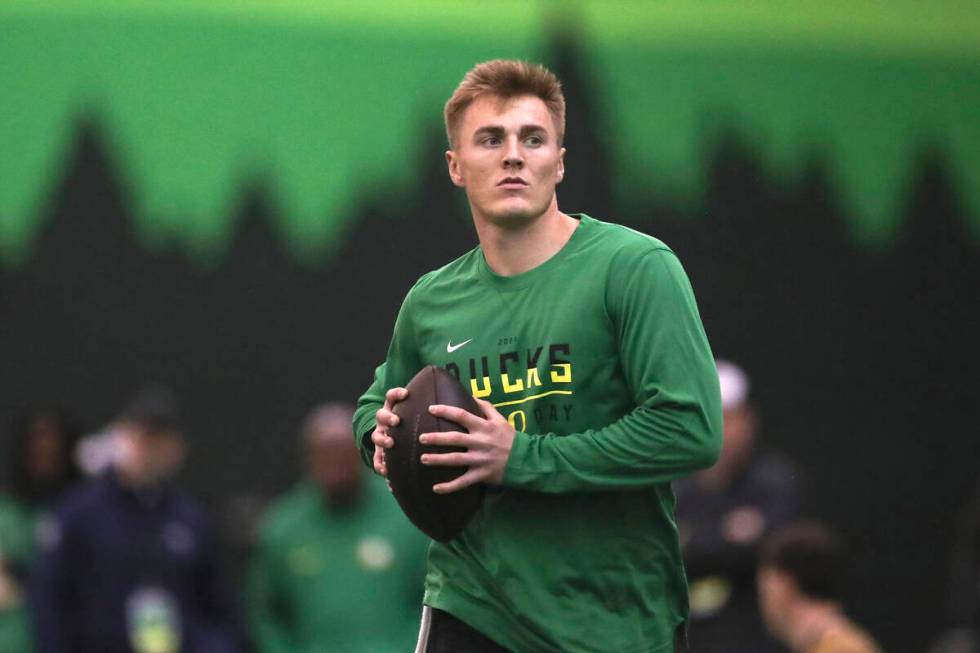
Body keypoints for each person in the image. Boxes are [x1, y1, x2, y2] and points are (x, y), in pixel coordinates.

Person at [353, 60, 722, 652]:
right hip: (472, 607)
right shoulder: (431, 300)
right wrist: (381, 432)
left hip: (611, 622)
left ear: (560, 161)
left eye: (533, 138)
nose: (513, 155)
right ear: (455, 166)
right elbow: (374, 405)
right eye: (491, 139)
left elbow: (691, 430)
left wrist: (521, 457)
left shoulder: (634, 268)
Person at [30, 386, 240, 653]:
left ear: (176, 448)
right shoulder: (78, 513)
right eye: (142, 436)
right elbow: (50, 599)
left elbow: (217, 605)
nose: (149, 448)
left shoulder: (191, 519)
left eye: (159, 439)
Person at [247, 403, 428, 653]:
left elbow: (430, 601)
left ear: (359, 452)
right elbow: (266, 615)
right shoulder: (283, 527)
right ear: (307, 458)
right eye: (323, 453)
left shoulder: (404, 515)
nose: (333, 462)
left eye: (341, 451)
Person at [673, 359, 801, 652]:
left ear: (748, 419)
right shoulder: (673, 487)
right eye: (707, 415)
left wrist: (692, 538)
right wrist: (727, 535)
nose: (719, 428)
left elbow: (774, 550)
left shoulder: (774, 482)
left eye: (728, 417)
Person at [0, 408, 82, 653]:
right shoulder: (6, 512)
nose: (44, 451)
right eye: (37, 443)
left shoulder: (83, 513)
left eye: (52, 444)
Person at [757, 522, 882, 653]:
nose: (764, 603)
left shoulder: (841, 649)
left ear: (783, 585)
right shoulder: (831, 644)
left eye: (764, 590)